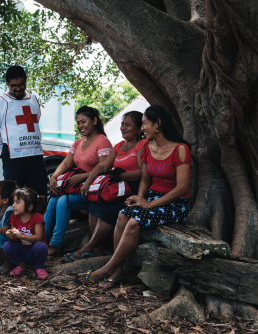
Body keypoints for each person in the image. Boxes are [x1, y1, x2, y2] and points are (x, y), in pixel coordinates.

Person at [76, 105, 191, 288]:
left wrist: (149, 205)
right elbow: (145, 179)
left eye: (145, 124)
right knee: (123, 214)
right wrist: (138, 198)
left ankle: (106, 269)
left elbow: (181, 187)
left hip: (175, 203)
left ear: (158, 124)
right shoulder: (148, 148)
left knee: (133, 221)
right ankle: (118, 269)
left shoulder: (181, 149)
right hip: (151, 197)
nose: (143, 128)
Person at [65, 111, 147, 261]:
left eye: (127, 125)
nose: (123, 127)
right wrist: (87, 183)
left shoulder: (142, 145)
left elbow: (143, 173)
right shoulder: (119, 146)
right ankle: (98, 250)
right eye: (122, 124)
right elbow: (102, 165)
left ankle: (89, 246)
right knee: (93, 207)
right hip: (116, 187)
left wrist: (119, 174)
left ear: (140, 128)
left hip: (133, 188)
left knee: (108, 209)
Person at [45, 106, 112, 256]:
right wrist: (54, 177)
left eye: (84, 121)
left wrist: (81, 177)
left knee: (63, 201)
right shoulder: (78, 143)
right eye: (78, 123)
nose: (80, 126)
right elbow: (65, 163)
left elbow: (104, 169)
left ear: (94, 120)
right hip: (74, 188)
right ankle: (42, 240)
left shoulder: (103, 142)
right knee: (54, 199)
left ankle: (55, 244)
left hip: (93, 190)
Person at [0, 65, 47, 200]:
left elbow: (35, 120)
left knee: (40, 195)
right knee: (13, 196)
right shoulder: (1, 102)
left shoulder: (33, 99)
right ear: (7, 83)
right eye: (14, 86)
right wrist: (7, 147)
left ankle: (40, 221)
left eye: (21, 84)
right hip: (14, 157)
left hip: (35, 155)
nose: (18, 88)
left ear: (26, 82)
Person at [3, 188, 49, 279]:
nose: (13, 205)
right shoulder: (14, 217)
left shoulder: (37, 217)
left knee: (41, 246)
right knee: (7, 245)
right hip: (22, 252)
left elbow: (39, 237)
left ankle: (39, 267)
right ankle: (21, 265)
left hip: (35, 253)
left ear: (29, 207)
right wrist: (11, 235)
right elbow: (15, 239)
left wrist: (22, 235)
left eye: (17, 202)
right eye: (14, 202)